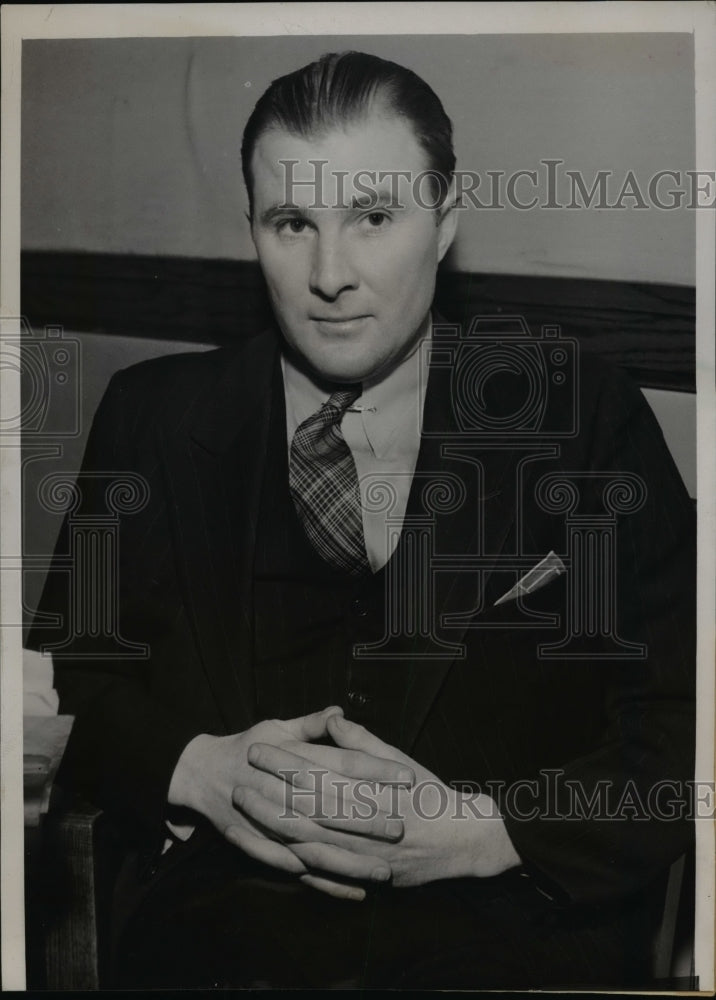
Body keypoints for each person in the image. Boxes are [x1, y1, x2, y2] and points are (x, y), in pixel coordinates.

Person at [30, 51, 695, 989]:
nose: (330, 274)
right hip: (221, 944)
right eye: (292, 222)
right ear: (252, 228)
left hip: (515, 942)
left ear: (446, 221)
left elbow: (684, 723)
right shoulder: (150, 418)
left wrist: (479, 834)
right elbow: (67, 680)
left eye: (374, 217)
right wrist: (197, 768)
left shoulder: (583, 418)